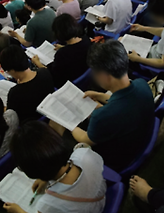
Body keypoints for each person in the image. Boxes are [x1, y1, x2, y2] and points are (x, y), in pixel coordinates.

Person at [65, 40, 154, 170]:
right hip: (139, 136)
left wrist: (68, 123)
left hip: (117, 158)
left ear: (103, 75)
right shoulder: (142, 84)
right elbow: (124, 99)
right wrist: (99, 95)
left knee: (64, 139)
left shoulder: (102, 116)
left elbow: (85, 139)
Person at [4, 121, 107, 213]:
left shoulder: (48, 204)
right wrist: (46, 178)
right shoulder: (84, 155)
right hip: (100, 203)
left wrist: (19, 211)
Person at [32, 14, 92, 88]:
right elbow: (76, 50)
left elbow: (53, 76)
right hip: (83, 74)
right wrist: (64, 47)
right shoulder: (86, 40)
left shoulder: (62, 54)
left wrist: (38, 63)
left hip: (66, 82)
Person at [0, 45, 56, 124]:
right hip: (51, 116)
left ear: (12, 70)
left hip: (32, 125)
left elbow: (11, 115)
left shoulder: (15, 93)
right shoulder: (44, 72)